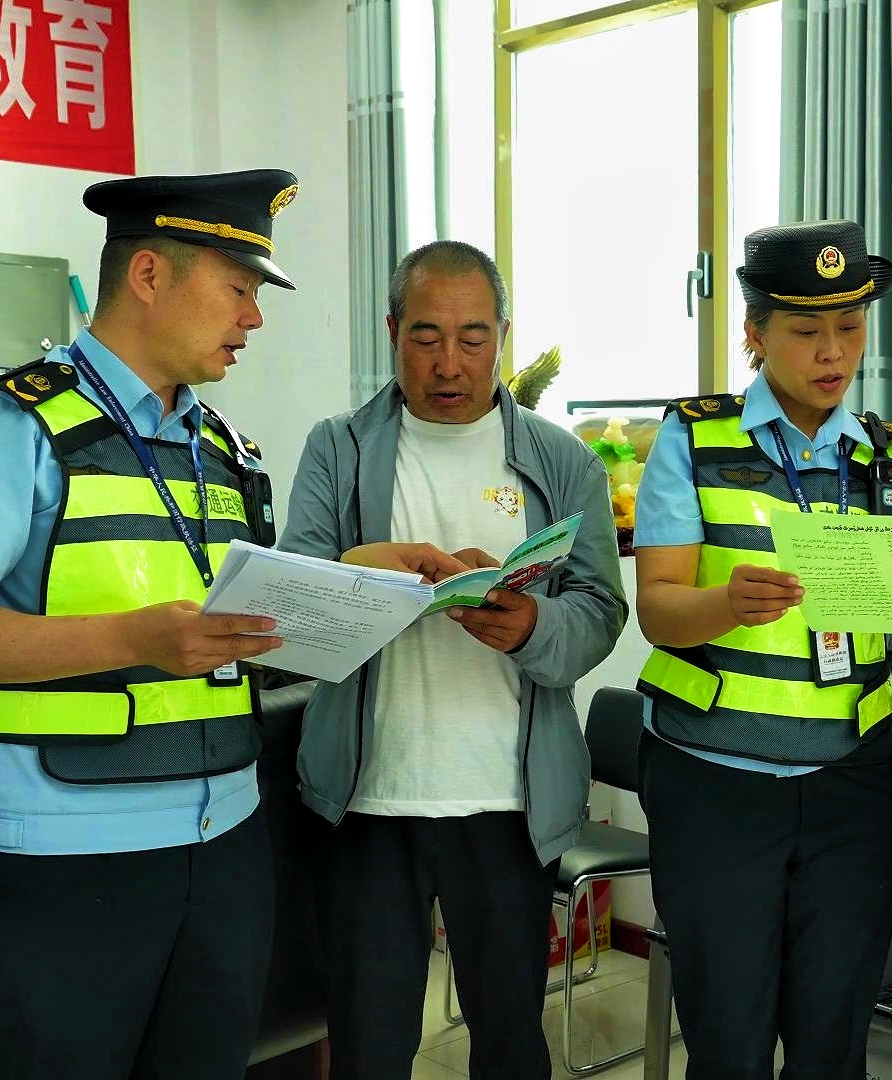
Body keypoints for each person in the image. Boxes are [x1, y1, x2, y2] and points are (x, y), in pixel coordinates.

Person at [0, 169, 299, 1078]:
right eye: (238, 289)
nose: (253, 318)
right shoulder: (10, 426)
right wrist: (133, 641)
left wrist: (355, 579)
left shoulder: (221, 447)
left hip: (227, 844)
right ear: (148, 275)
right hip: (71, 856)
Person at [279, 240, 627, 1079]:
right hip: (370, 800)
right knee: (369, 1047)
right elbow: (291, 604)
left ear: (502, 336)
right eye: (425, 337)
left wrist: (531, 624)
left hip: (508, 806)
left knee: (508, 1043)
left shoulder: (562, 461)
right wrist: (371, 569)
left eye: (473, 339)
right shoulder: (338, 448)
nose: (449, 364)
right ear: (392, 331)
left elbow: (600, 611)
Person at [633, 219, 892, 1079]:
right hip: (715, 780)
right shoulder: (695, 440)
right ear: (755, 333)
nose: (833, 352)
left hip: (854, 782)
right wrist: (724, 604)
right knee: (728, 1036)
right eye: (805, 330)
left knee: (833, 1037)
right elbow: (657, 609)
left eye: (851, 326)